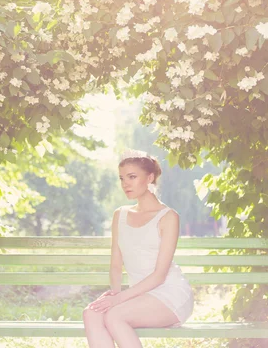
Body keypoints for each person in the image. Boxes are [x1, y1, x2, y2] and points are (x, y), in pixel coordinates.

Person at [82, 149, 194, 348]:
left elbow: (160, 276)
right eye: (122, 178)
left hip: (170, 295)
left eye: (132, 177)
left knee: (115, 316)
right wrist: (115, 294)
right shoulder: (120, 215)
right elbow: (116, 265)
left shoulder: (168, 217)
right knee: (91, 314)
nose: (126, 183)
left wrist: (118, 301)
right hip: (138, 296)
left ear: (150, 177)